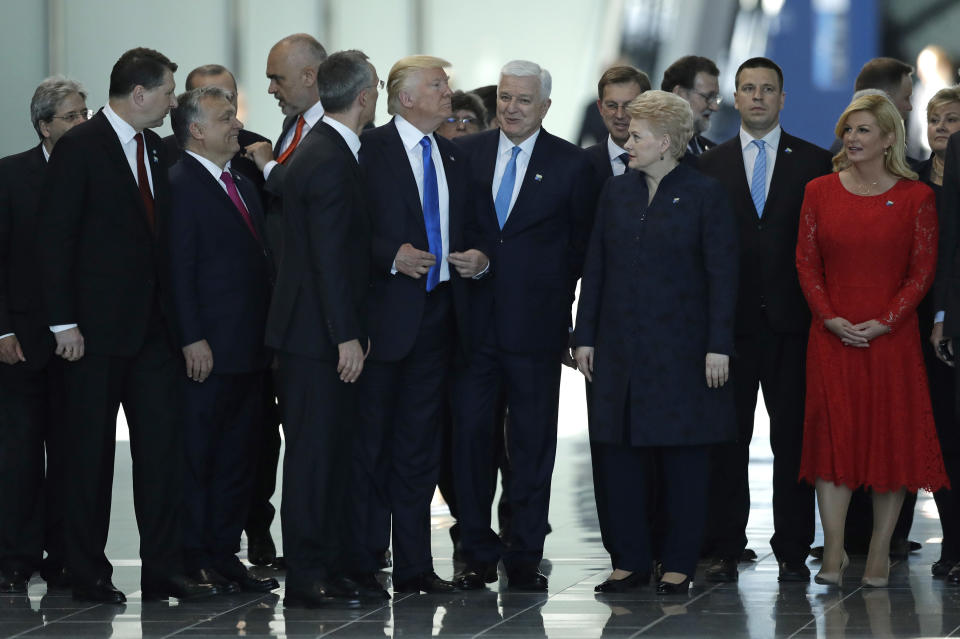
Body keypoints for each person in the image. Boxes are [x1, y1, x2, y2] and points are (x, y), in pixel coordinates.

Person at [36, 47, 219, 603]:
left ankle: (164, 568)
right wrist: (62, 322)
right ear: (139, 94)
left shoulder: (158, 151)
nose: (172, 101)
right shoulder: (80, 146)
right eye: (167, 91)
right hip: (91, 335)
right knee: (89, 457)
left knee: (162, 454)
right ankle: (88, 572)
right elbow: (55, 240)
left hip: (153, 335)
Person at [574, 89, 738, 595]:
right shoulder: (615, 192)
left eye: (636, 135)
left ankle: (678, 561)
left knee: (682, 458)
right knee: (617, 452)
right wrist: (584, 336)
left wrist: (719, 344)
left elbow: (722, 275)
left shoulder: (705, 193)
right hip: (618, 347)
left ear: (666, 141)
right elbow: (595, 267)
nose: (626, 143)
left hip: (683, 351)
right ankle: (628, 559)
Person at [453, 59, 599, 591]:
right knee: (471, 442)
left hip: (537, 332)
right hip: (471, 328)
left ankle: (524, 553)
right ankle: (473, 550)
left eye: (522, 101)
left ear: (545, 107)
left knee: (533, 446)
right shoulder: (463, 154)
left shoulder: (573, 165)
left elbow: (582, 250)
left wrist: (575, 322)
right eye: (505, 98)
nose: (511, 108)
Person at [796, 92, 948, 588]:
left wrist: (886, 320)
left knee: (891, 445)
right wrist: (829, 317)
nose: (852, 138)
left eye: (863, 130)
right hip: (832, 337)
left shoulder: (915, 197)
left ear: (888, 138)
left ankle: (882, 550)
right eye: (848, 129)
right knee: (833, 445)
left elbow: (921, 272)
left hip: (890, 339)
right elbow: (806, 262)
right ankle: (835, 551)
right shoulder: (819, 190)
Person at [351, 55, 488, 595]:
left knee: (419, 449)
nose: (448, 92)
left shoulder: (454, 157)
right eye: (437, 84)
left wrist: (479, 257)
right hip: (383, 321)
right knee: (371, 446)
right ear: (405, 97)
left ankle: (414, 567)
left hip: (439, 317)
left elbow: (473, 227)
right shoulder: (368, 151)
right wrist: (391, 256)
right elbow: (344, 230)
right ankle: (363, 563)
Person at [696, 57, 832, 584]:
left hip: (794, 325)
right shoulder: (710, 164)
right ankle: (726, 545)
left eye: (767, 89)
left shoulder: (816, 163)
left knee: (793, 440)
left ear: (782, 97)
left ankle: (794, 547)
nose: (757, 97)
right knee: (728, 439)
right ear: (736, 96)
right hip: (727, 328)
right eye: (748, 88)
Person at [263, 49, 378, 608]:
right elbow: (328, 259)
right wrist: (345, 335)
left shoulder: (323, 150)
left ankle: (327, 567)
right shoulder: (330, 158)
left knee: (328, 455)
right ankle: (308, 576)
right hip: (316, 340)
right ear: (364, 97)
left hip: (313, 334)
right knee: (313, 459)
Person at [167, 86, 278, 595]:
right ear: (195, 129)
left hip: (249, 349)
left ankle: (224, 554)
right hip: (207, 352)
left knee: (239, 458)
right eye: (225, 118)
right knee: (200, 457)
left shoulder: (242, 183)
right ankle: (195, 557)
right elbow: (177, 270)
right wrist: (192, 338)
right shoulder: (179, 183)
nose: (237, 125)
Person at [242, 33, 328, 566]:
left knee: (315, 445)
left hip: (318, 321)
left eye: (277, 77)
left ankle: (320, 557)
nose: (270, 88)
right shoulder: (292, 128)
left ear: (310, 76)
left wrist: (271, 168)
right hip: (285, 319)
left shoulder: (331, 136)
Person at [0, 76, 88, 594]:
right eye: (72, 116)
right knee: (20, 454)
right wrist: (3, 327)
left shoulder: (97, 173)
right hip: (23, 340)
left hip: (81, 343)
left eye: (85, 114)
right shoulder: (11, 175)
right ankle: (15, 555)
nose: (82, 123)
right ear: (44, 126)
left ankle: (64, 555)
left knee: (75, 454)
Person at [929, 91, 960, 582]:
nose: (941, 127)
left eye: (951, 119)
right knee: (945, 436)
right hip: (940, 321)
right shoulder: (914, 177)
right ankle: (953, 544)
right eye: (934, 119)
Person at [585, 65, 651, 179]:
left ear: (646, 107)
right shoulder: (580, 164)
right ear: (600, 108)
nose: (620, 115)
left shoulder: (663, 166)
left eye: (629, 106)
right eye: (612, 106)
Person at [661, 55, 721, 157]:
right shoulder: (649, 149)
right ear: (679, 94)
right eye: (709, 97)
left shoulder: (716, 154)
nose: (715, 107)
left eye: (716, 98)